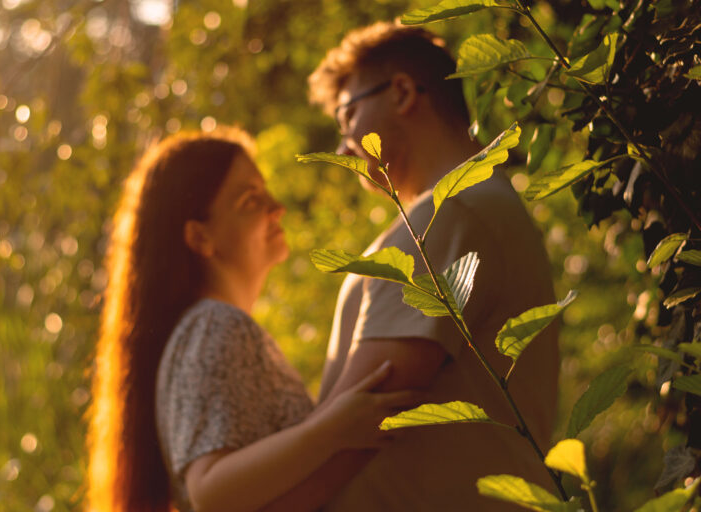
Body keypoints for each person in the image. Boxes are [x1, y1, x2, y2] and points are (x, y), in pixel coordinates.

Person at [86, 127, 421, 512]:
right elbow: (211, 490)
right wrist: (332, 429)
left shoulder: (205, 329)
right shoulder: (215, 325)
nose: (277, 207)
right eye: (251, 200)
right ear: (200, 238)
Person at [307, 21, 560, 510]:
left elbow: (349, 434)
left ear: (402, 91)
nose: (343, 147)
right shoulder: (473, 208)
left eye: (348, 116)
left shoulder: (451, 215)